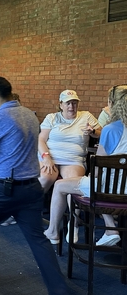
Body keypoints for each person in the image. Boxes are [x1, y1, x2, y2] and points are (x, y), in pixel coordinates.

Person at [0, 77, 68, 294]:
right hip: (31, 188)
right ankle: (59, 290)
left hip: (0, 189)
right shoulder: (29, 115)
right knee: (38, 240)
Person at [44, 84, 127, 247]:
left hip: (109, 190)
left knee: (61, 186)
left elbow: (98, 170)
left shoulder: (110, 130)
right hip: (125, 190)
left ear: (111, 104)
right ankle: (110, 228)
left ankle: (53, 231)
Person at [38, 89, 102, 193]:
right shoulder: (52, 117)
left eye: (74, 103)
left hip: (73, 159)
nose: (71, 107)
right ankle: (33, 207)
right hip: (50, 156)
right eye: (68, 103)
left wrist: (93, 131)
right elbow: (40, 140)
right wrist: (46, 157)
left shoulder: (86, 116)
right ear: (61, 105)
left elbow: (103, 133)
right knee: (45, 178)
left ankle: (72, 209)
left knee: (71, 185)